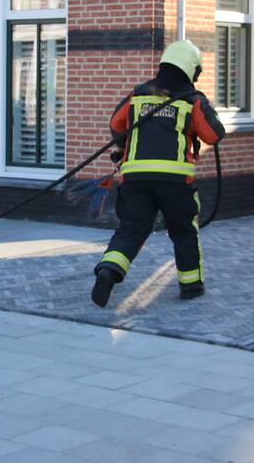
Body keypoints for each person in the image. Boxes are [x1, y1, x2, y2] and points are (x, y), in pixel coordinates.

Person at [91, 40, 225, 308]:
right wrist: (204, 107)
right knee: (183, 230)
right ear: (190, 70)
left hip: (135, 178)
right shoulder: (192, 100)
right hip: (175, 181)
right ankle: (191, 286)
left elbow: (116, 124)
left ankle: (109, 270)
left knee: (132, 228)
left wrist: (123, 149)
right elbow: (214, 134)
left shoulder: (138, 95)